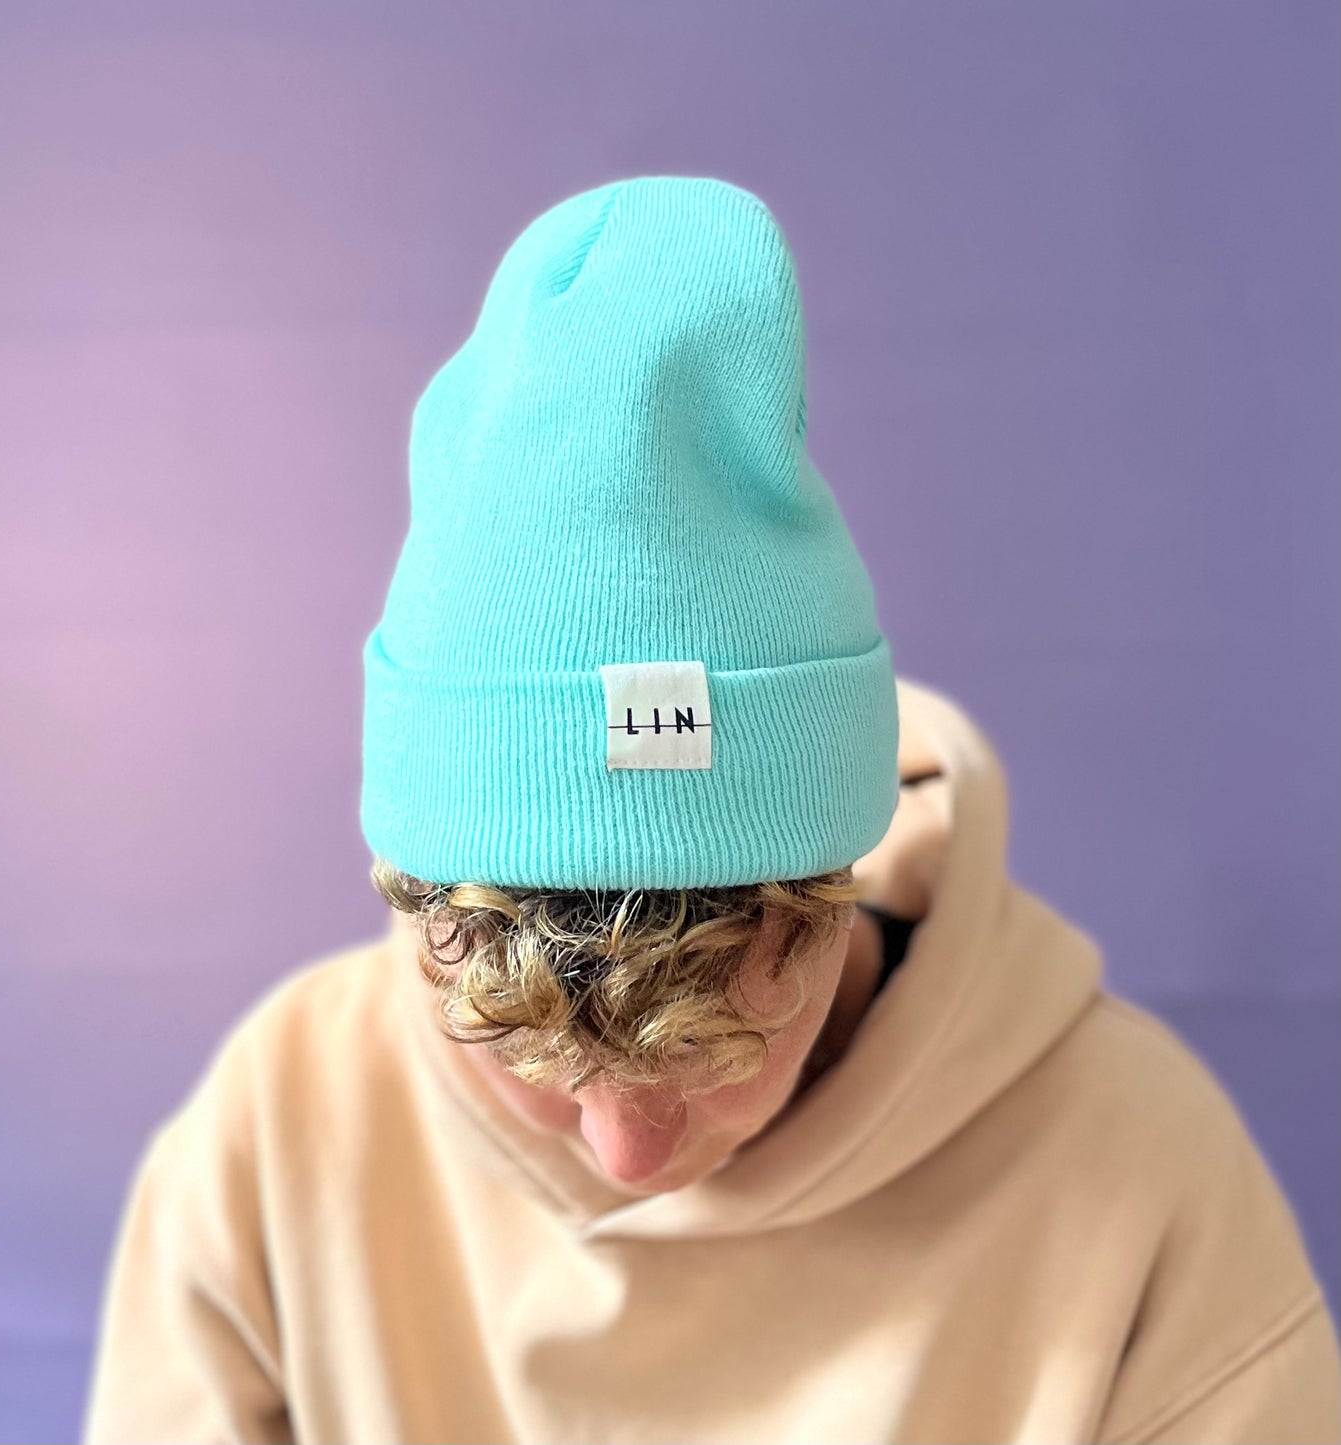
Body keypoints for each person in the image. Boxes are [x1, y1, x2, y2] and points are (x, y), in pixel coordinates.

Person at [80, 175, 1340, 1445]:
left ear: (836, 888)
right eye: (530, 1056)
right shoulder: (276, 1131)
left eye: (716, 1053)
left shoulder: (1138, 1174)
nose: (627, 1157)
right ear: (421, 907)